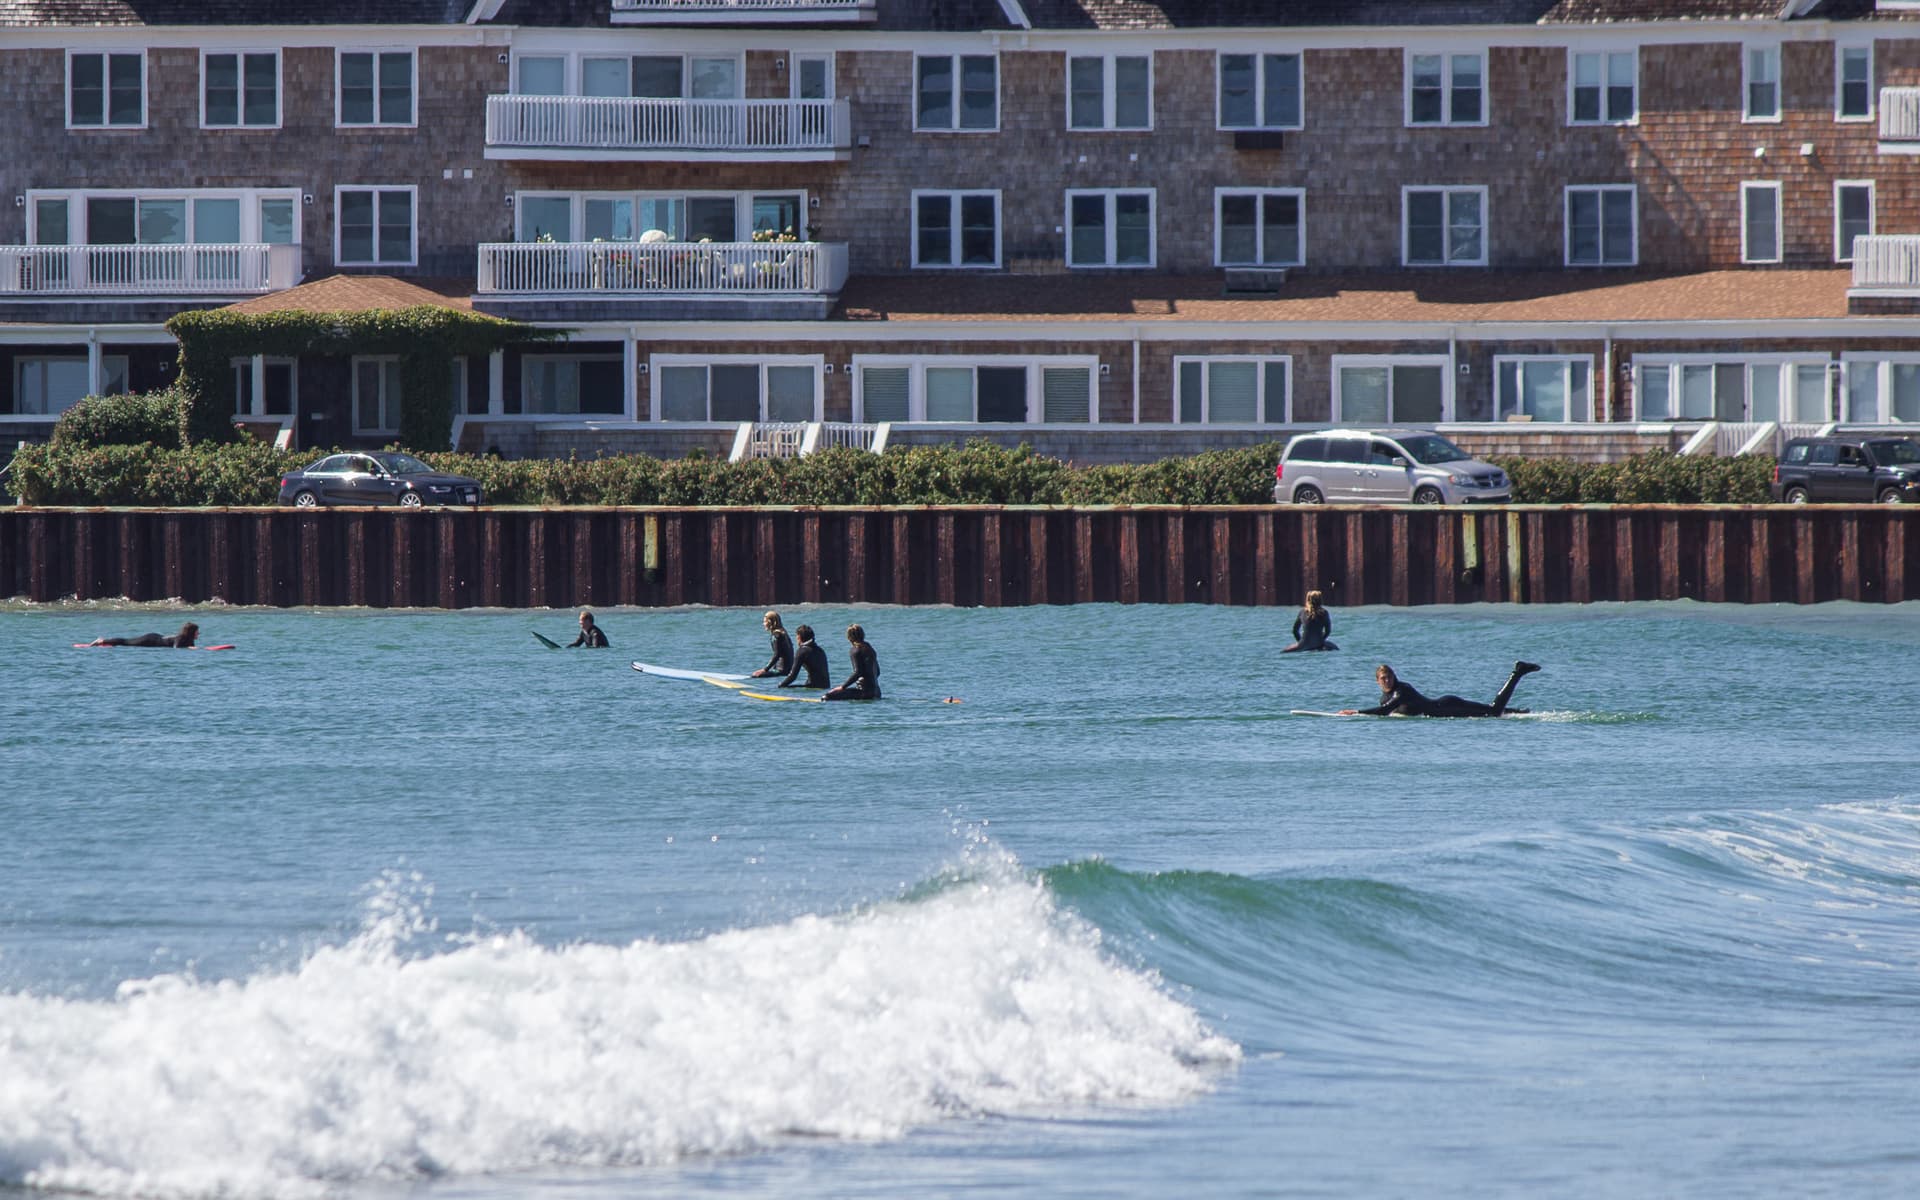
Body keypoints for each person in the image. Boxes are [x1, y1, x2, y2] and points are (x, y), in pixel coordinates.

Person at [1340, 661, 1540, 718]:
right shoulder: (1385, 697)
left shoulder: (1402, 691)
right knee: (1489, 710)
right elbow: (1384, 709)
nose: (1387, 681)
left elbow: (1384, 712)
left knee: (1493, 712)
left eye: (1390, 677)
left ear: (1395, 676)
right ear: (1377, 681)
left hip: (1447, 707)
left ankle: (1517, 672)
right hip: (1444, 706)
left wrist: (1356, 712)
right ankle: (1514, 711)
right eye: (1383, 679)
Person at [823, 623, 881, 701]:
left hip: (863, 693)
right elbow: (878, 672)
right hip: (877, 692)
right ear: (863, 634)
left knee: (827, 697)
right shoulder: (870, 649)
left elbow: (858, 672)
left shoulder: (855, 650)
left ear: (849, 637)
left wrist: (842, 687)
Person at [778, 624, 831, 689]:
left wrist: (780, 686)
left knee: (785, 687)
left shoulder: (802, 651)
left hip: (812, 687)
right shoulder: (820, 650)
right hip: (826, 686)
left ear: (799, 637)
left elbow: (793, 676)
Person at [750, 611, 795, 679]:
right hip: (788, 670)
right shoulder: (784, 633)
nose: (763, 624)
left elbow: (777, 655)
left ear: (770, 622)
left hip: (781, 671)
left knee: (755, 676)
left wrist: (765, 670)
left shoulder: (776, 635)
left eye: (765, 622)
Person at [89, 621, 200, 648]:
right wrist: (189, 648)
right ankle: (101, 641)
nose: (198, 633)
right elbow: (176, 647)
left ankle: (105, 641)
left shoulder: (189, 640)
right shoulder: (180, 638)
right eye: (197, 632)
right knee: (127, 642)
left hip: (154, 640)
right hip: (150, 639)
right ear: (191, 632)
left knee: (127, 642)